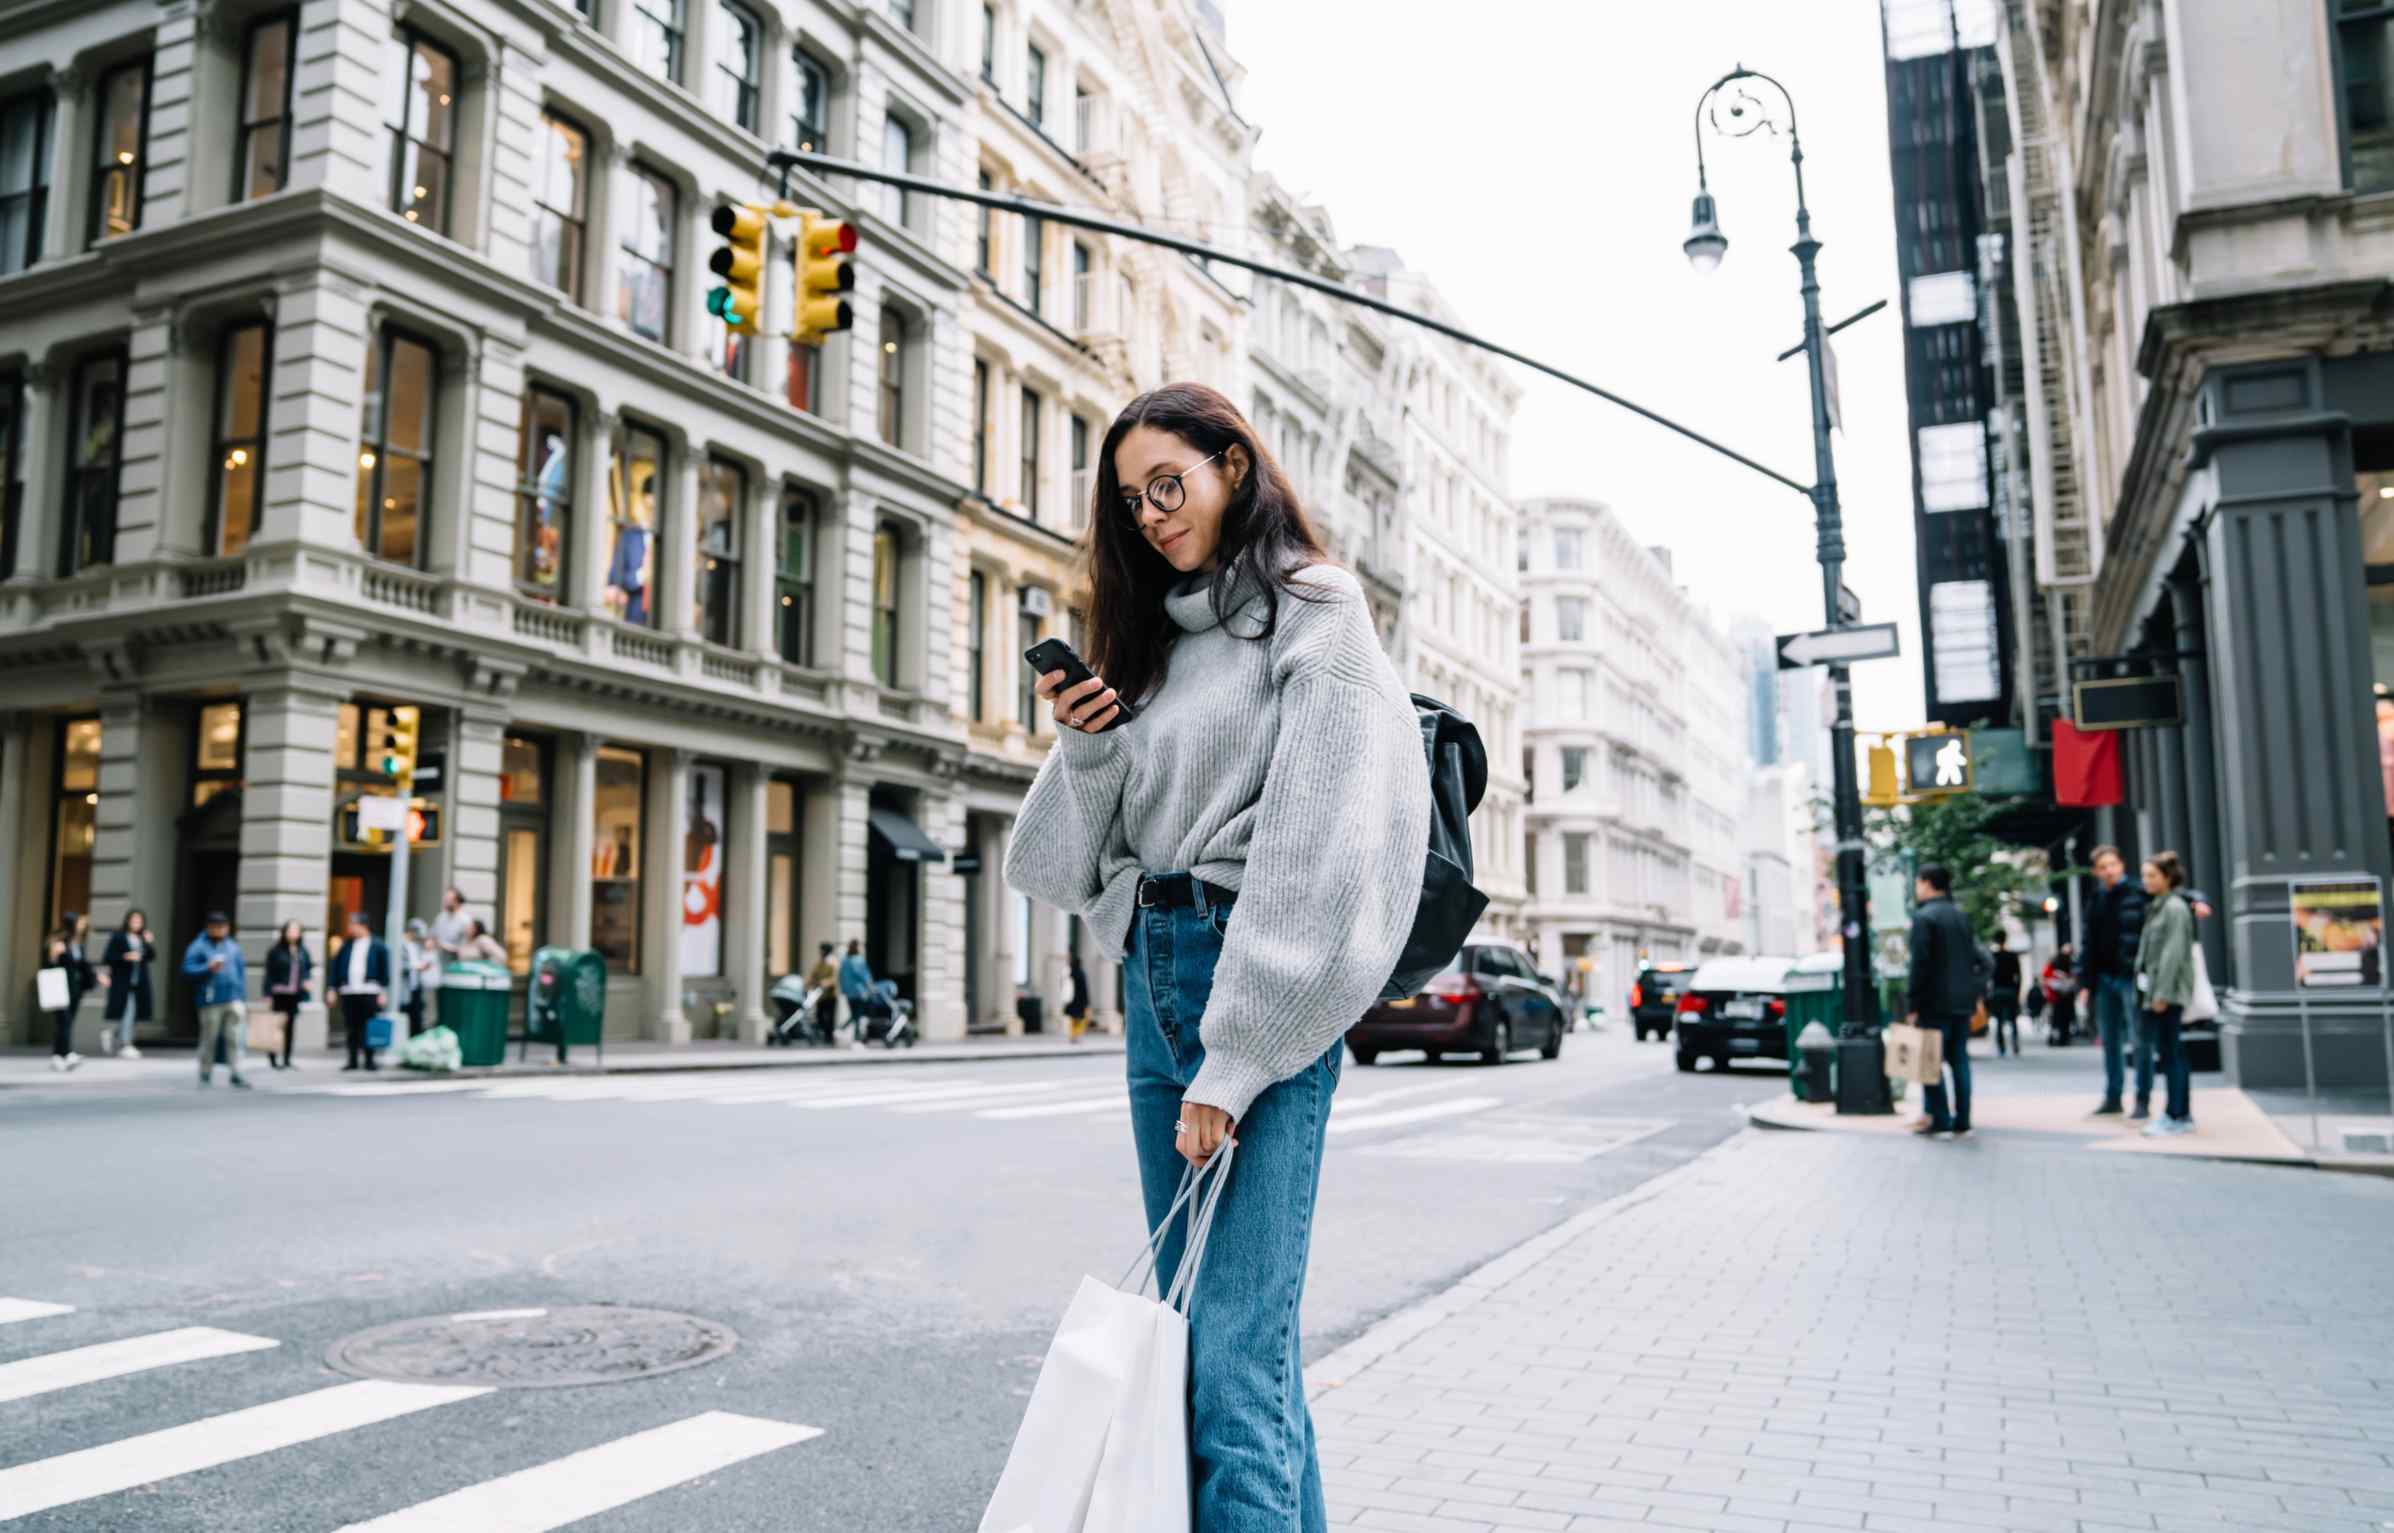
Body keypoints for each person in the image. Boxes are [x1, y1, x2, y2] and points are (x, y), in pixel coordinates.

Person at [1004, 382, 1430, 1528]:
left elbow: (1317, 846)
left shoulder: (1316, 610)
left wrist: (1235, 1057)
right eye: (1130, 502)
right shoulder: (1149, 652)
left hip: (1261, 990)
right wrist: (1092, 749)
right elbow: (1054, 867)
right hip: (1158, 974)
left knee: (1232, 1367)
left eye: (1166, 485)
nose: (1148, 515)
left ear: (1233, 466)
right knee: (1221, 1352)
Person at [1905, 864, 1979, 1138]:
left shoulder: (1925, 917)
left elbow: (1919, 964)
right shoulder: (1961, 916)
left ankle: (1941, 1120)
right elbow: (1975, 959)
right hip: (1962, 1001)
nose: (1917, 888)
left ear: (1926, 883)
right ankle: (1963, 1121)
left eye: (1918, 882)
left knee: (1930, 1062)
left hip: (1934, 1002)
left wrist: (1913, 1004)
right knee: (1959, 1059)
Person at [2079, 845, 2148, 1116]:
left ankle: (2142, 1099)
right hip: (2104, 979)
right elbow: (2089, 943)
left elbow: (2172, 895)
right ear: (2096, 871)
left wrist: (2196, 900)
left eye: (2112, 864)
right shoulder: (2096, 900)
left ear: (2121, 865)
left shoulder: (2138, 893)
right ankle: (2113, 1097)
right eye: (2103, 867)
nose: (2108, 870)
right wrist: (2085, 982)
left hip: (2130, 976)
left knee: (2139, 1039)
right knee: (2110, 1041)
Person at [2135, 851, 2199, 1137]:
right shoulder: (2160, 906)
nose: (2146, 880)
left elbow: (2173, 954)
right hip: (2160, 991)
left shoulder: (2173, 908)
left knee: (2171, 1054)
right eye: (2145, 875)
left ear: (2167, 878)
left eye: (2151, 875)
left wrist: (2160, 995)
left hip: (2167, 993)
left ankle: (2176, 1114)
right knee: (2173, 1052)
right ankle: (2180, 1113)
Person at [181, 912, 251, 1089]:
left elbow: (241, 972)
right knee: (209, 1038)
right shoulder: (198, 946)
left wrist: (242, 996)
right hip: (210, 999)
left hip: (233, 998)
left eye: (223, 927)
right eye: (217, 927)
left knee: (234, 1038)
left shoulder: (232, 946)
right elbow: (187, 969)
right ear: (209, 927)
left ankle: (236, 1072)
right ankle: (205, 1073)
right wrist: (207, 968)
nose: (221, 930)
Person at [40, 915, 100, 1072]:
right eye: (80, 923)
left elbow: (83, 965)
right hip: (60, 988)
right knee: (64, 1021)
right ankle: (64, 1054)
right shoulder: (59, 941)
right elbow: (48, 964)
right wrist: (53, 956)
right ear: (72, 924)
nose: (83, 925)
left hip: (75, 989)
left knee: (67, 1022)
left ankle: (60, 1055)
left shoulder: (78, 944)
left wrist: (97, 977)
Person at [332, 912, 390, 1071]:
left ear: (363, 926)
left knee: (368, 1026)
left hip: (370, 990)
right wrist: (333, 988)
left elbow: (384, 970)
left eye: (353, 925)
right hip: (349, 990)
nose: (350, 928)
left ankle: (370, 1060)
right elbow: (336, 967)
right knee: (351, 1027)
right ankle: (352, 1060)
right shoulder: (346, 945)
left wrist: (383, 991)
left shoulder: (377, 944)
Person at [100, 909, 154, 1058]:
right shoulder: (118, 937)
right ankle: (126, 1044)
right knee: (128, 1011)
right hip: (122, 980)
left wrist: (149, 943)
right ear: (128, 921)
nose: (136, 924)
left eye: (139, 921)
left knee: (133, 1012)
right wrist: (125, 957)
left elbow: (151, 956)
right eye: (134, 920)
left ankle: (111, 1033)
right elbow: (108, 957)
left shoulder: (143, 938)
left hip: (139, 981)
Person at [263, 920, 313, 1069]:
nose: (294, 933)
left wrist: (306, 981)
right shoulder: (276, 951)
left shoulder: (302, 951)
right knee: (276, 1026)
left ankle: (287, 1059)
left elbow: (307, 970)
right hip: (279, 993)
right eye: (291, 930)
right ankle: (273, 1058)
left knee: (290, 1027)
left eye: (297, 930)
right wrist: (267, 994)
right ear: (285, 932)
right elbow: (269, 974)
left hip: (294, 994)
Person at [399, 918, 440, 1037]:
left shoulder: (415, 946)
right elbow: (397, 964)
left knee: (416, 1016)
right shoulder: (400, 943)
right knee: (404, 1013)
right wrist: (415, 967)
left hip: (415, 985)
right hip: (404, 987)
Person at [1987, 932, 2022, 1057]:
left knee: (1999, 1020)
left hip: (1997, 991)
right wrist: (2017, 991)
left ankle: (2001, 1047)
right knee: (2013, 1020)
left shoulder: (1993, 956)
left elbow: (1988, 975)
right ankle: (2015, 1044)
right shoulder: (2012, 956)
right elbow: (2018, 975)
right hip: (2010, 990)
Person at [2042, 943, 2079, 1044]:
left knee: (2060, 1017)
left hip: (2063, 994)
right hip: (2058, 994)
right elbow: (2047, 976)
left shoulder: (2070, 963)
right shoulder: (2056, 962)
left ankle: (2061, 1037)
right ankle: (2058, 1037)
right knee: (2058, 1017)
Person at [804, 942, 840, 1044]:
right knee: (820, 1015)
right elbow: (812, 975)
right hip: (820, 995)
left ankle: (829, 1037)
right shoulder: (820, 963)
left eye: (822, 950)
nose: (820, 952)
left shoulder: (833, 962)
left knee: (830, 1017)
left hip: (830, 994)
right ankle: (822, 1034)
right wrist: (806, 984)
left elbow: (834, 978)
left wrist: (824, 983)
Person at [430, 885, 472, 964]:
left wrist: (445, 947)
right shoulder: (440, 917)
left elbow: (466, 947)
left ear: (457, 902)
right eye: (445, 899)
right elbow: (433, 936)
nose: (445, 901)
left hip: (456, 965)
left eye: (448, 899)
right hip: (439, 962)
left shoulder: (465, 920)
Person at [1064, 953, 1092, 1042]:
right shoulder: (1081, 973)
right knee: (1080, 1019)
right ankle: (1076, 1035)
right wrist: (1087, 1002)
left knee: (1073, 1019)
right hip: (1080, 1001)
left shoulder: (1070, 973)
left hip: (1071, 1000)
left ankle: (1072, 1035)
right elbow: (1084, 989)